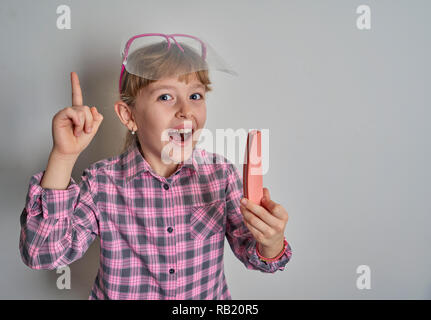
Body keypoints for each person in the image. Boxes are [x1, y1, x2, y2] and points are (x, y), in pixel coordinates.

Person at [19, 33, 292, 299]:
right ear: (129, 116)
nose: (186, 110)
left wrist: (271, 242)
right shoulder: (102, 182)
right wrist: (64, 156)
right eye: (165, 97)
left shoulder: (220, 175)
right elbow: (44, 253)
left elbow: (257, 256)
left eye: (195, 96)